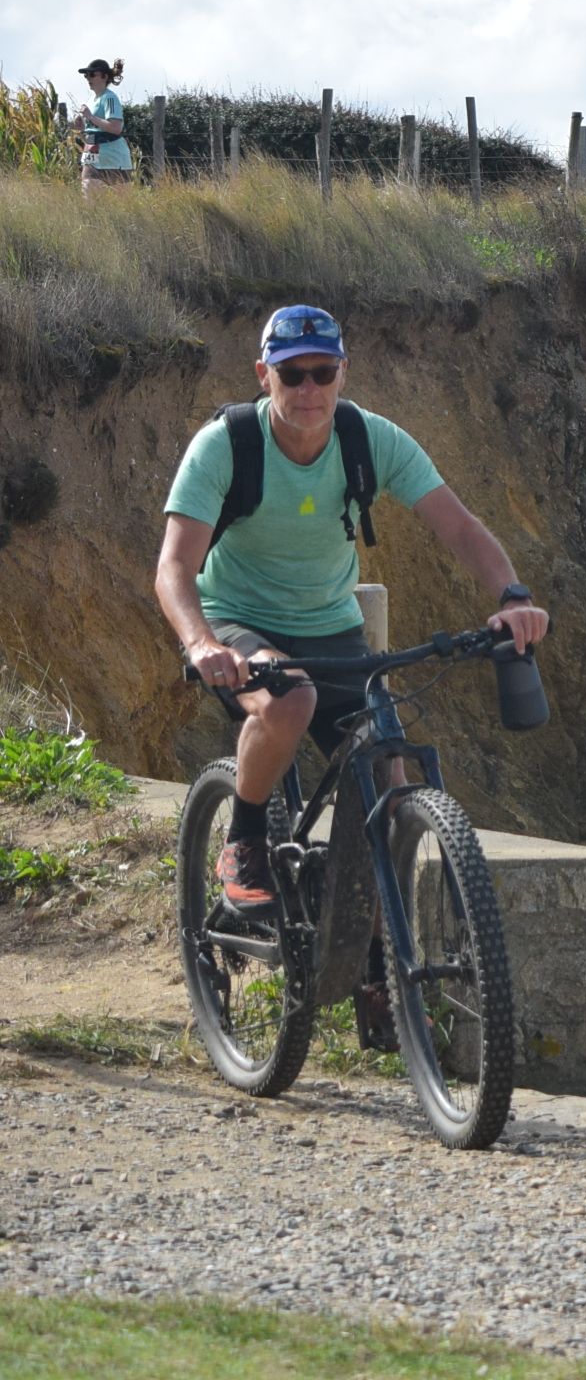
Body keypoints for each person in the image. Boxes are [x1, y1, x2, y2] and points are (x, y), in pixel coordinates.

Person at [154, 306, 551, 938]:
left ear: (343, 372)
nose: (309, 388)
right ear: (263, 375)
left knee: (388, 782)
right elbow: (174, 566)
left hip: (331, 625)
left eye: (323, 372)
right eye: (292, 374)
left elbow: (459, 526)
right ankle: (245, 839)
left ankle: (375, 962)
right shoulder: (227, 444)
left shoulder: (369, 439)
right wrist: (201, 642)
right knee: (290, 700)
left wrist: (512, 596)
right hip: (236, 620)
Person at [76, 58, 133, 191]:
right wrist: (82, 128)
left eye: (92, 74)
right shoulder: (91, 100)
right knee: (88, 195)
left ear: (105, 77)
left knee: (121, 202)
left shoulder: (110, 98)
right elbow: (95, 129)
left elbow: (116, 128)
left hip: (113, 157)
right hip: (92, 153)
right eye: (86, 75)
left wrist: (90, 117)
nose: (88, 78)